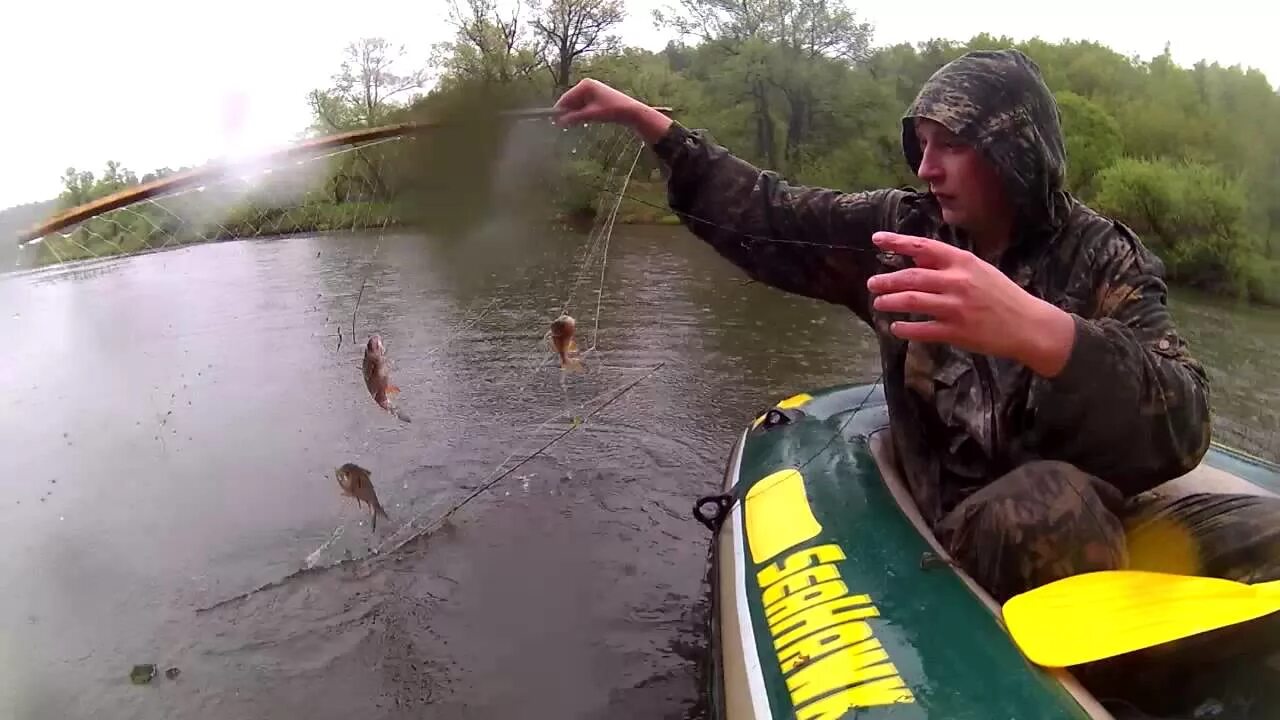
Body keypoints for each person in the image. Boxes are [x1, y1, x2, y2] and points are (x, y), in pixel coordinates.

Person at [551, 48, 1268, 606]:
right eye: (919, 144)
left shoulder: (1106, 255)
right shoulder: (899, 234)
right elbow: (768, 213)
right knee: (1052, 506)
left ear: (1014, 149)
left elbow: (1183, 421)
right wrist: (652, 125)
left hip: (1115, 517)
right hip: (984, 522)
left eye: (949, 145)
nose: (926, 168)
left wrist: (1045, 334)